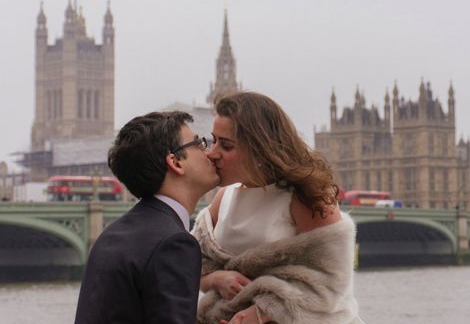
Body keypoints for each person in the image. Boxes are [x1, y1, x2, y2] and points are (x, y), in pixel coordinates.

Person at [192, 91, 362, 324]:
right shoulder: (224, 197)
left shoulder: (307, 197)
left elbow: (330, 285)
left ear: (259, 148)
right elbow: (192, 266)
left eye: (226, 145)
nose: (212, 153)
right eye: (213, 141)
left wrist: (262, 313)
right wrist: (216, 280)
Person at [74, 111, 220, 324]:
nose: (209, 152)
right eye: (199, 144)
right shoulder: (174, 243)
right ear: (175, 162)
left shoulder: (110, 235)